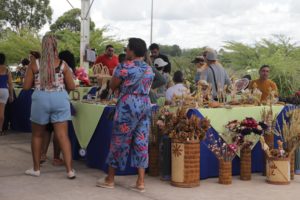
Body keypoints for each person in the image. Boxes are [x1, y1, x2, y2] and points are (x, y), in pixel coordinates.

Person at [96, 38, 154, 192]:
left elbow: (113, 85)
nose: (126, 51)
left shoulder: (123, 67)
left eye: (127, 48)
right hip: (144, 104)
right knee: (141, 141)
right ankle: (140, 182)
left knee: (119, 141)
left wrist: (121, 85)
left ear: (132, 51)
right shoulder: (149, 69)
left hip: (128, 105)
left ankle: (110, 179)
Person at [23, 34, 76, 179]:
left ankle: (36, 169)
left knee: (37, 135)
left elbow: (26, 87)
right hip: (60, 98)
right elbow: (72, 86)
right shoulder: (63, 64)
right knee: (63, 136)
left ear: (43, 46)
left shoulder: (34, 64)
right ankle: (70, 170)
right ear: (55, 47)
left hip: (40, 98)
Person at [0, 53, 13, 136]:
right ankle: (0, 129)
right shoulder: (7, 69)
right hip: (4, 91)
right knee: (2, 112)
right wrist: (11, 95)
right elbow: (10, 84)